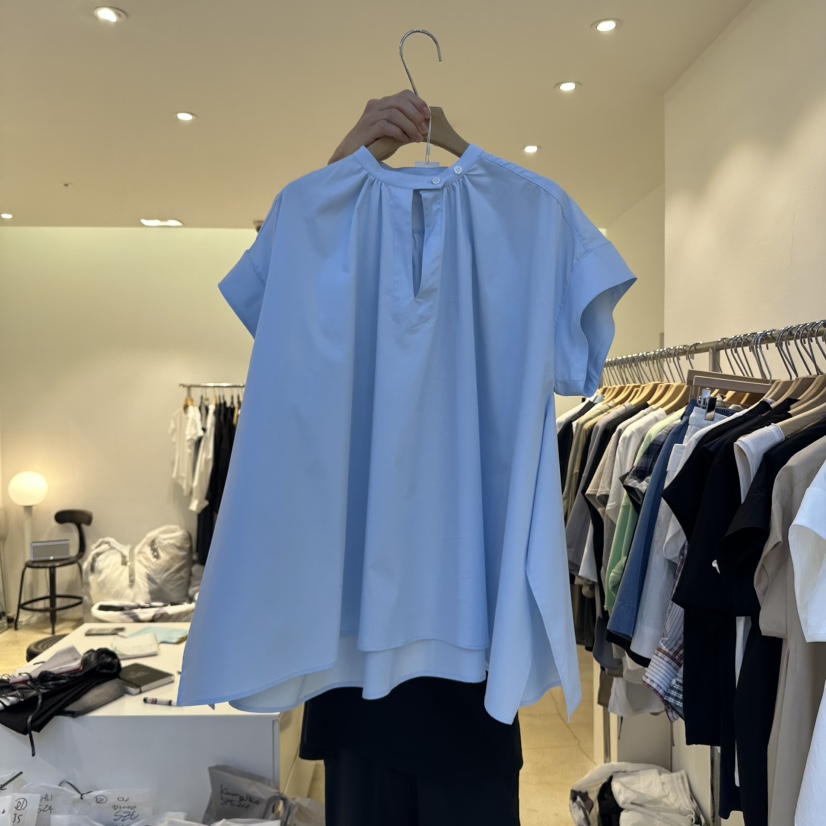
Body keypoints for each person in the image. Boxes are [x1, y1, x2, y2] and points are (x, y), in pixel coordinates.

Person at [298, 91, 523, 826]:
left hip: (466, 666)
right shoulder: (319, 229)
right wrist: (341, 169)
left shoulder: (525, 227)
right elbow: (283, 287)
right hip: (359, 668)